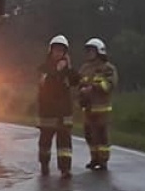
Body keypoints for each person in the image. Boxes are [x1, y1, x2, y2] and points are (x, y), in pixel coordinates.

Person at [36, 34, 80, 178]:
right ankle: (44, 164)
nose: (58, 53)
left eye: (61, 51)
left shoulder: (67, 69)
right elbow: (46, 84)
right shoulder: (43, 68)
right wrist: (58, 70)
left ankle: (65, 169)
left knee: (65, 144)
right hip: (47, 113)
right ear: (51, 51)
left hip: (64, 114)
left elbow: (76, 80)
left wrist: (69, 68)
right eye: (56, 50)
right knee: (45, 143)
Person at [76, 38, 119, 171]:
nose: (89, 53)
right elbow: (78, 83)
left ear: (99, 51)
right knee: (89, 135)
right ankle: (94, 158)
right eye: (87, 50)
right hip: (88, 109)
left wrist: (93, 88)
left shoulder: (108, 68)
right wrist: (80, 91)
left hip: (102, 109)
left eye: (91, 50)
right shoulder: (84, 68)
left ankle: (103, 160)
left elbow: (110, 84)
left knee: (102, 136)